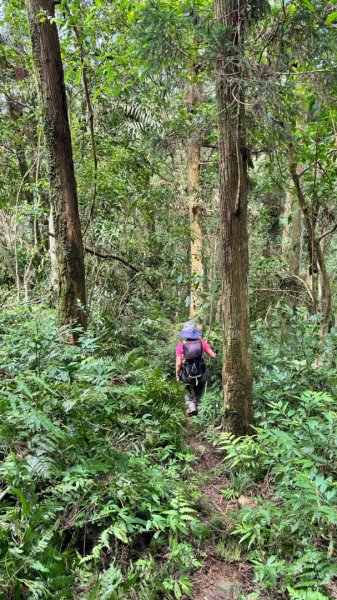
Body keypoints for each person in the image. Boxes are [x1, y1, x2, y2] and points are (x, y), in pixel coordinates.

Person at [175, 321, 216, 416]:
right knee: (200, 391)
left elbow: (178, 364)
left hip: (186, 374)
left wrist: (177, 375)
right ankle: (198, 408)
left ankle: (191, 405)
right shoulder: (202, 342)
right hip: (201, 372)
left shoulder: (181, 344)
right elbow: (213, 355)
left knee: (185, 390)